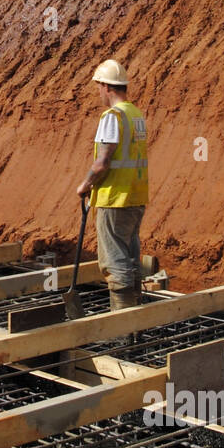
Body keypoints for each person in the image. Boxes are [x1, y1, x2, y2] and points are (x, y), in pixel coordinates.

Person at [76, 59, 148, 312]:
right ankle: (135, 317)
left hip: (114, 198)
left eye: (99, 87)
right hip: (136, 197)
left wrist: (84, 185)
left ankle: (122, 324)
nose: (98, 92)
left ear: (107, 87)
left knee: (114, 262)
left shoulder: (112, 116)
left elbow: (102, 162)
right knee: (130, 257)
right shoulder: (136, 114)